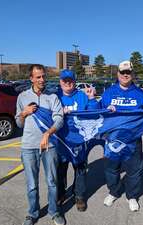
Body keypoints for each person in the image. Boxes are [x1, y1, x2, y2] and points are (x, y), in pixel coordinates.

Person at [100, 60, 143, 211]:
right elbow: (98, 112)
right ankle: (114, 192)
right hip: (112, 140)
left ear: (132, 75)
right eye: (122, 72)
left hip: (132, 141)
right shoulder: (109, 92)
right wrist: (97, 104)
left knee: (134, 171)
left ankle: (132, 196)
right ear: (117, 74)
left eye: (128, 73)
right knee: (111, 170)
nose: (125, 75)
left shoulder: (140, 94)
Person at [15, 64, 65, 225]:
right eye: (38, 77)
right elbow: (19, 124)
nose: (42, 79)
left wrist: (48, 133)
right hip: (28, 146)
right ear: (31, 78)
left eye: (44, 76)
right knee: (31, 184)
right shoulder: (22, 97)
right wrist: (24, 113)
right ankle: (33, 213)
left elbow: (59, 119)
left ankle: (53, 211)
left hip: (49, 146)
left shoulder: (52, 97)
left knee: (52, 181)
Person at [56, 69, 98, 211]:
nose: (67, 83)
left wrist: (92, 99)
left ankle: (79, 195)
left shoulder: (82, 96)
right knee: (60, 170)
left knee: (80, 169)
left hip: (79, 141)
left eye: (70, 80)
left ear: (74, 82)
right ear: (60, 81)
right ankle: (60, 194)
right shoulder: (55, 96)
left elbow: (94, 115)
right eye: (64, 80)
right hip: (61, 141)